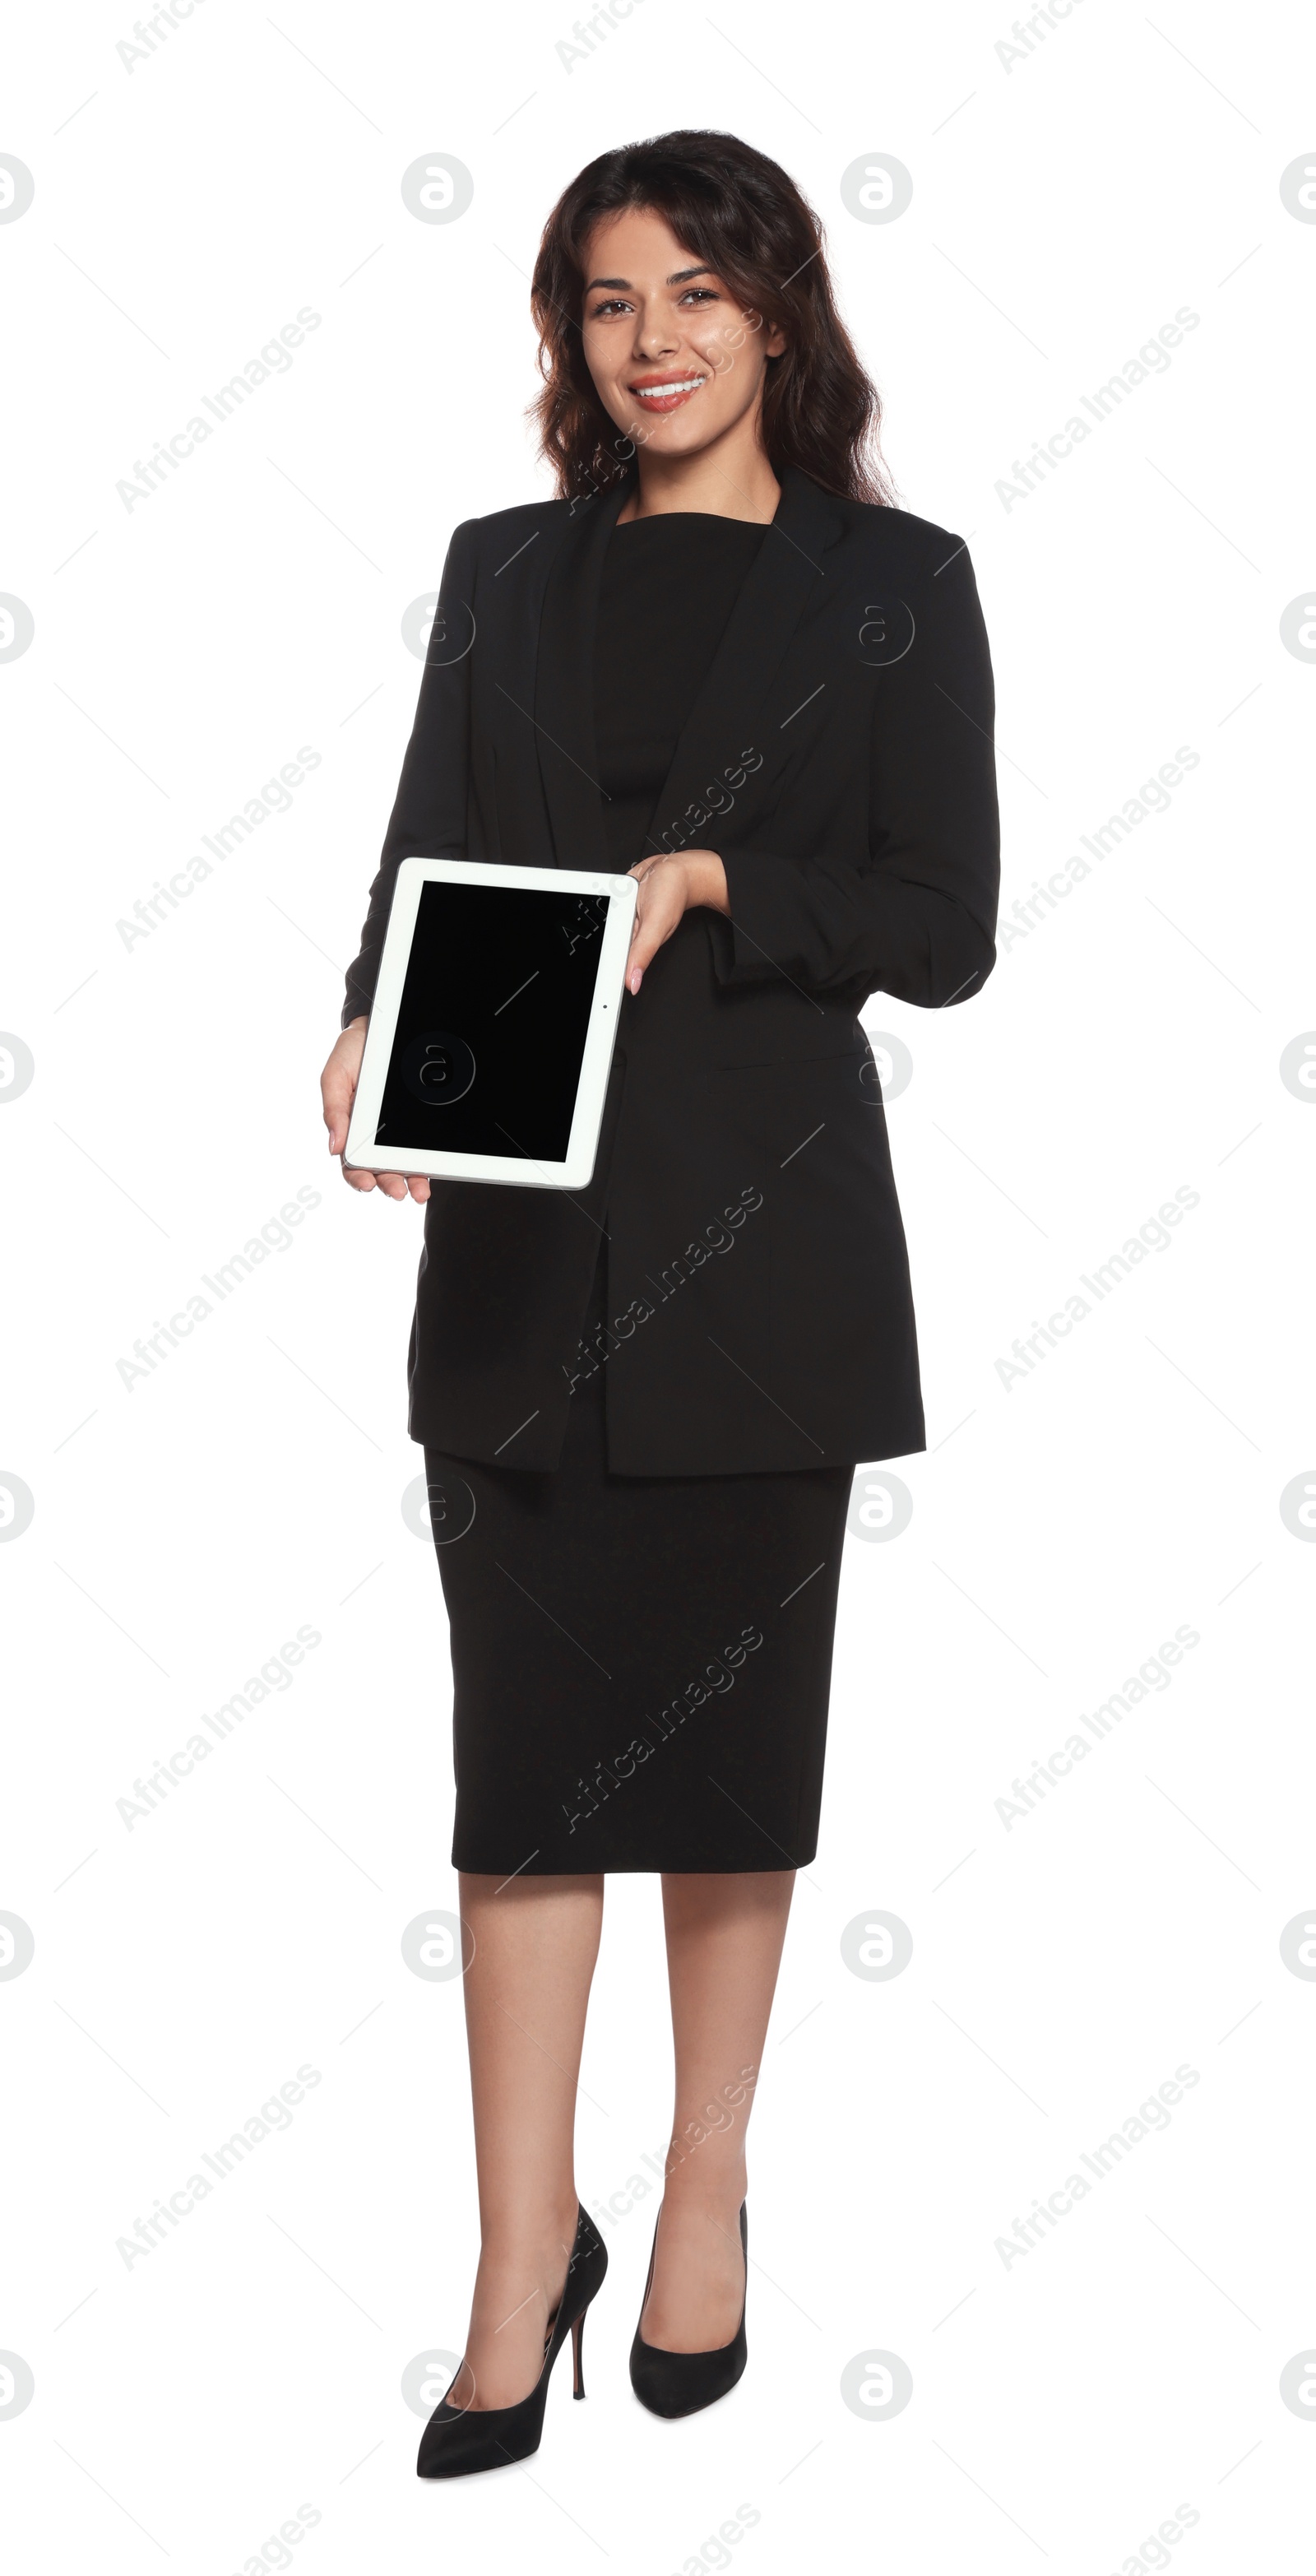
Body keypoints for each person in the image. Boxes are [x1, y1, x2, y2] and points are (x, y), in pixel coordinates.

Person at [320, 127, 999, 2477]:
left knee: (724, 1766)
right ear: (567, 335)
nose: (657, 339)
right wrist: (365, 1014)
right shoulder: (499, 571)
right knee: (523, 1787)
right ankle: (524, 2254)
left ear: (782, 318)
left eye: (700, 293)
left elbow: (947, 918)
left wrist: (723, 878)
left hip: (759, 1262)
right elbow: (423, 842)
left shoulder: (896, 583)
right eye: (611, 301)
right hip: (515, 1258)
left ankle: (706, 2179)